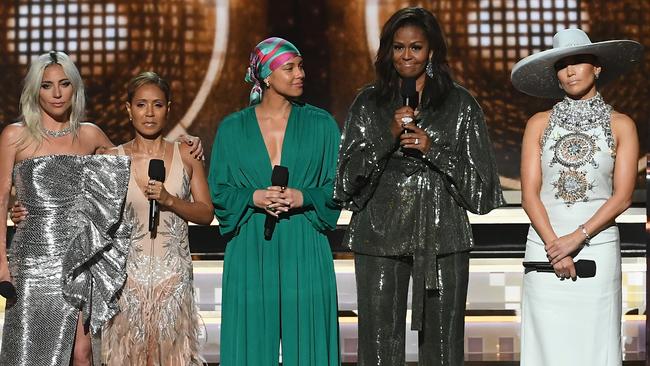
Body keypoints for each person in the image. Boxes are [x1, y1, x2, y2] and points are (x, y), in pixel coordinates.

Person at [334, 7, 505, 365]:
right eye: (398, 48)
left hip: (442, 234)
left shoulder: (460, 105)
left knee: (443, 349)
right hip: (378, 234)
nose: (406, 56)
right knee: (379, 347)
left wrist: (433, 149)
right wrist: (388, 134)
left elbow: (483, 191)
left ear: (432, 52)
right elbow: (346, 181)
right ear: (387, 51)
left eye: (416, 47)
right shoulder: (368, 103)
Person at [512, 28, 641, 365]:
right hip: (545, 244)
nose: (570, 71)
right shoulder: (538, 124)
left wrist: (577, 238)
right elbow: (530, 195)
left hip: (596, 246)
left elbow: (623, 197)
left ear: (597, 67)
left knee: (595, 345)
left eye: (578, 61)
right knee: (547, 347)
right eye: (561, 64)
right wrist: (556, 246)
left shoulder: (622, 125)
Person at [208, 37, 341, 365]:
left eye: (301, 66)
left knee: (310, 343)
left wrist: (303, 196)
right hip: (251, 244)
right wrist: (252, 197)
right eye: (290, 67)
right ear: (266, 75)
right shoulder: (231, 128)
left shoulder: (322, 125)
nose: (301, 74)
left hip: (305, 241)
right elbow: (219, 192)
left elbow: (339, 188)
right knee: (249, 345)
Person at [0, 51, 132, 366]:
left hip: (80, 259)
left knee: (83, 354)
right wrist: (1, 262)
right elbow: (1, 196)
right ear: (34, 90)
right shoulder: (15, 136)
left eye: (64, 84)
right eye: (47, 86)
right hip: (32, 261)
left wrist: (181, 144)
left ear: (76, 88)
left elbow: (133, 165)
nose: (57, 94)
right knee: (28, 353)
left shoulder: (90, 135)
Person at [101, 72, 214, 365]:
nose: (149, 113)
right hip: (127, 283)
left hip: (173, 281)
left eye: (157, 105)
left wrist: (170, 201)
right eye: (141, 105)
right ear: (128, 109)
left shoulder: (187, 155)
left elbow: (206, 212)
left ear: (168, 108)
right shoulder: (111, 158)